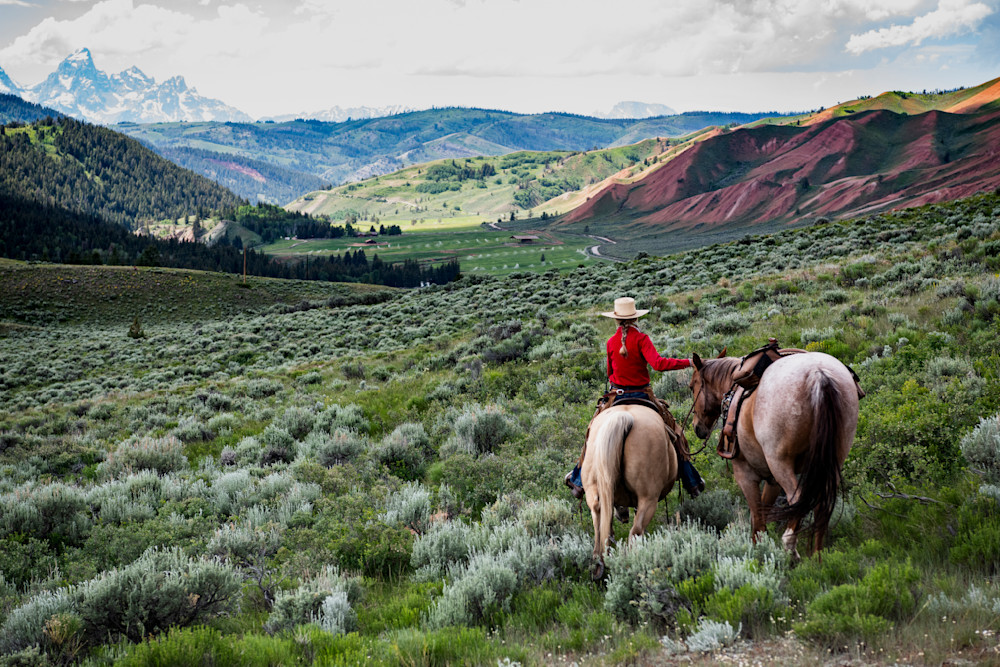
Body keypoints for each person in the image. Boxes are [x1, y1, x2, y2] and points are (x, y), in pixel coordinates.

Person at [565, 296, 705, 501]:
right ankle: (691, 481)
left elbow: (609, 372)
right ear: (635, 319)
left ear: (616, 319)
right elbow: (658, 364)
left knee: (591, 432)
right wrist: (687, 363)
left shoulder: (611, 342)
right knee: (675, 433)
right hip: (642, 395)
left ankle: (578, 480)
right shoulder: (642, 339)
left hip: (617, 396)